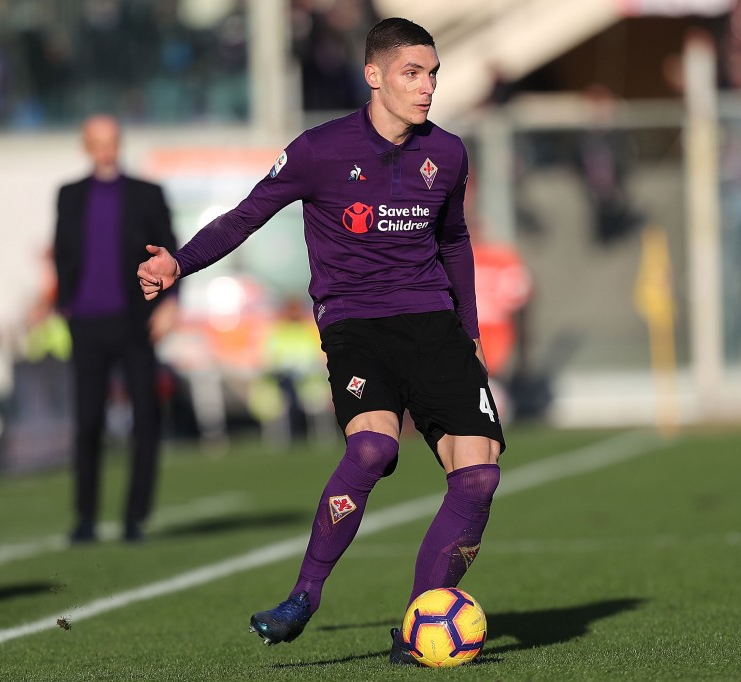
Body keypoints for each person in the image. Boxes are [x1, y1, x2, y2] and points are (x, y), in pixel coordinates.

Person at [137, 17, 504, 665]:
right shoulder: (318, 150)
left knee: (477, 477)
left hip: (433, 323)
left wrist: (470, 332)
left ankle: (419, 626)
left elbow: (454, 241)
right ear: (374, 76)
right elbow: (247, 215)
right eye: (412, 74)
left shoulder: (447, 153)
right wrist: (179, 263)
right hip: (355, 323)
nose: (426, 87)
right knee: (372, 448)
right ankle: (304, 595)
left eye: (432, 74)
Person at [54, 114, 179, 544]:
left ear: (119, 143)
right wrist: (64, 306)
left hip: (135, 321)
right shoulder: (69, 195)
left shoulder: (147, 193)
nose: (106, 149)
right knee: (88, 422)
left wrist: (170, 303)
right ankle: (85, 519)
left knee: (146, 419)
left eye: (111, 140)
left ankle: (134, 519)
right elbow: (62, 252)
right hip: (86, 323)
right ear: (86, 146)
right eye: (97, 141)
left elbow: (169, 249)